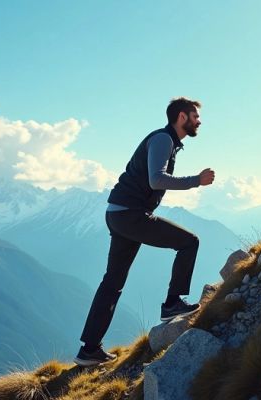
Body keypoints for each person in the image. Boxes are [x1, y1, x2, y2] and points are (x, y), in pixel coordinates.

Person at [75, 96, 215, 366]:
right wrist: (196, 181)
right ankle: (173, 302)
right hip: (130, 215)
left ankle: (89, 350)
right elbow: (156, 179)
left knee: (112, 282)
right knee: (189, 242)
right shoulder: (163, 139)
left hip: (119, 214)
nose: (199, 120)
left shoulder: (168, 142)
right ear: (182, 117)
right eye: (195, 115)